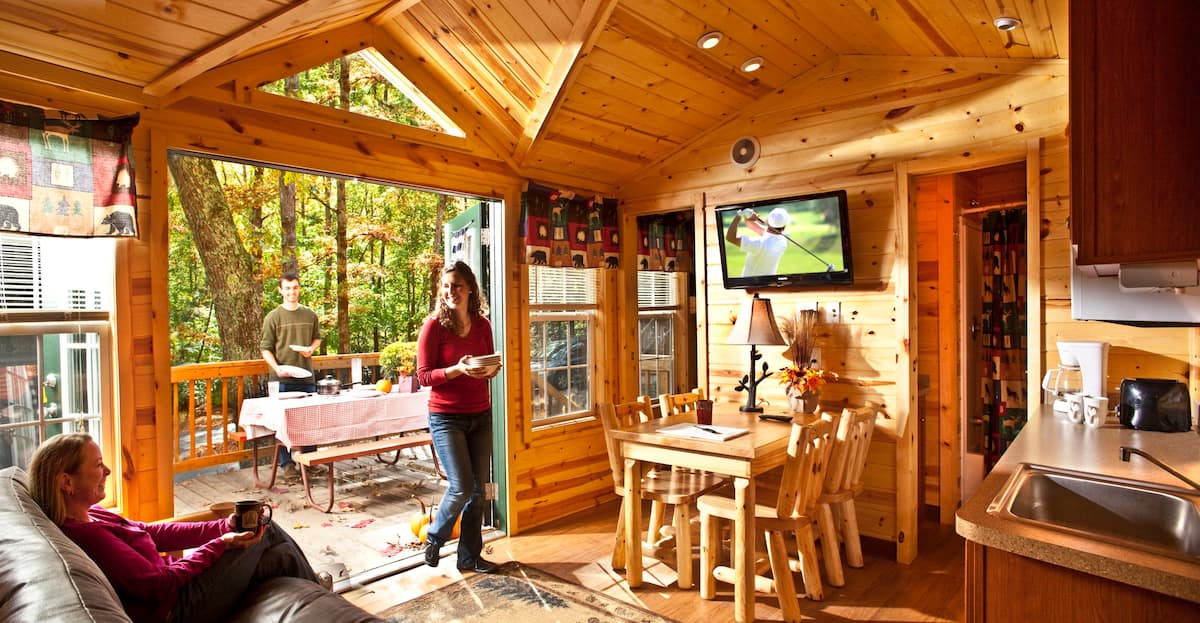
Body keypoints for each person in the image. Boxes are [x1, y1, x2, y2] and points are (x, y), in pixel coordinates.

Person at [27, 433, 330, 623]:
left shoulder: (93, 515)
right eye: (97, 465)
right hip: (177, 608)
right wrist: (221, 544)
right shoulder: (89, 537)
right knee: (269, 531)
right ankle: (322, 594)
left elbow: (150, 532)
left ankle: (320, 598)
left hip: (177, 586)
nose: (107, 471)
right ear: (66, 482)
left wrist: (221, 525)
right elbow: (161, 584)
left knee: (278, 554)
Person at [416, 261, 502, 574]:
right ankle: (435, 537)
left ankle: (468, 557)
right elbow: (424, 376)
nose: (451, 291)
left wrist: (490, 369)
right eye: (446, 286)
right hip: (446, 417)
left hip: (480, 413)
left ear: (470, 289)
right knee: (461, 487)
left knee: (478, 492)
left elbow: (488, 367)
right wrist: (458, 369)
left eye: (457, 285)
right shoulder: (433, 326)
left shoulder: (483, 325)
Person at [260, 270, 321, 477]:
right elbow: (265, 348)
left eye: (294, 287)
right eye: (287, 288)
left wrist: (311, 349)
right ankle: (287, 465)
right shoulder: (273, 317)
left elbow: (317, 338)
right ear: (280, 290)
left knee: (310, 419)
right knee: (283, 421)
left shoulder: (310, 314)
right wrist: (277, 368)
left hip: (306, 376)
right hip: (281, 378)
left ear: (299, 289)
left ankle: (310, 460)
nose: (291, 292)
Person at [725, 206, 791, 276]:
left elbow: (730, 238)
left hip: (750, 284)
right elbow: (752, 226)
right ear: (784, 227)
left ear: (768, 220)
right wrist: (749, 216)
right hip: (769, 283)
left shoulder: (758, 243)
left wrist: (739, 215)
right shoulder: (783, 240)